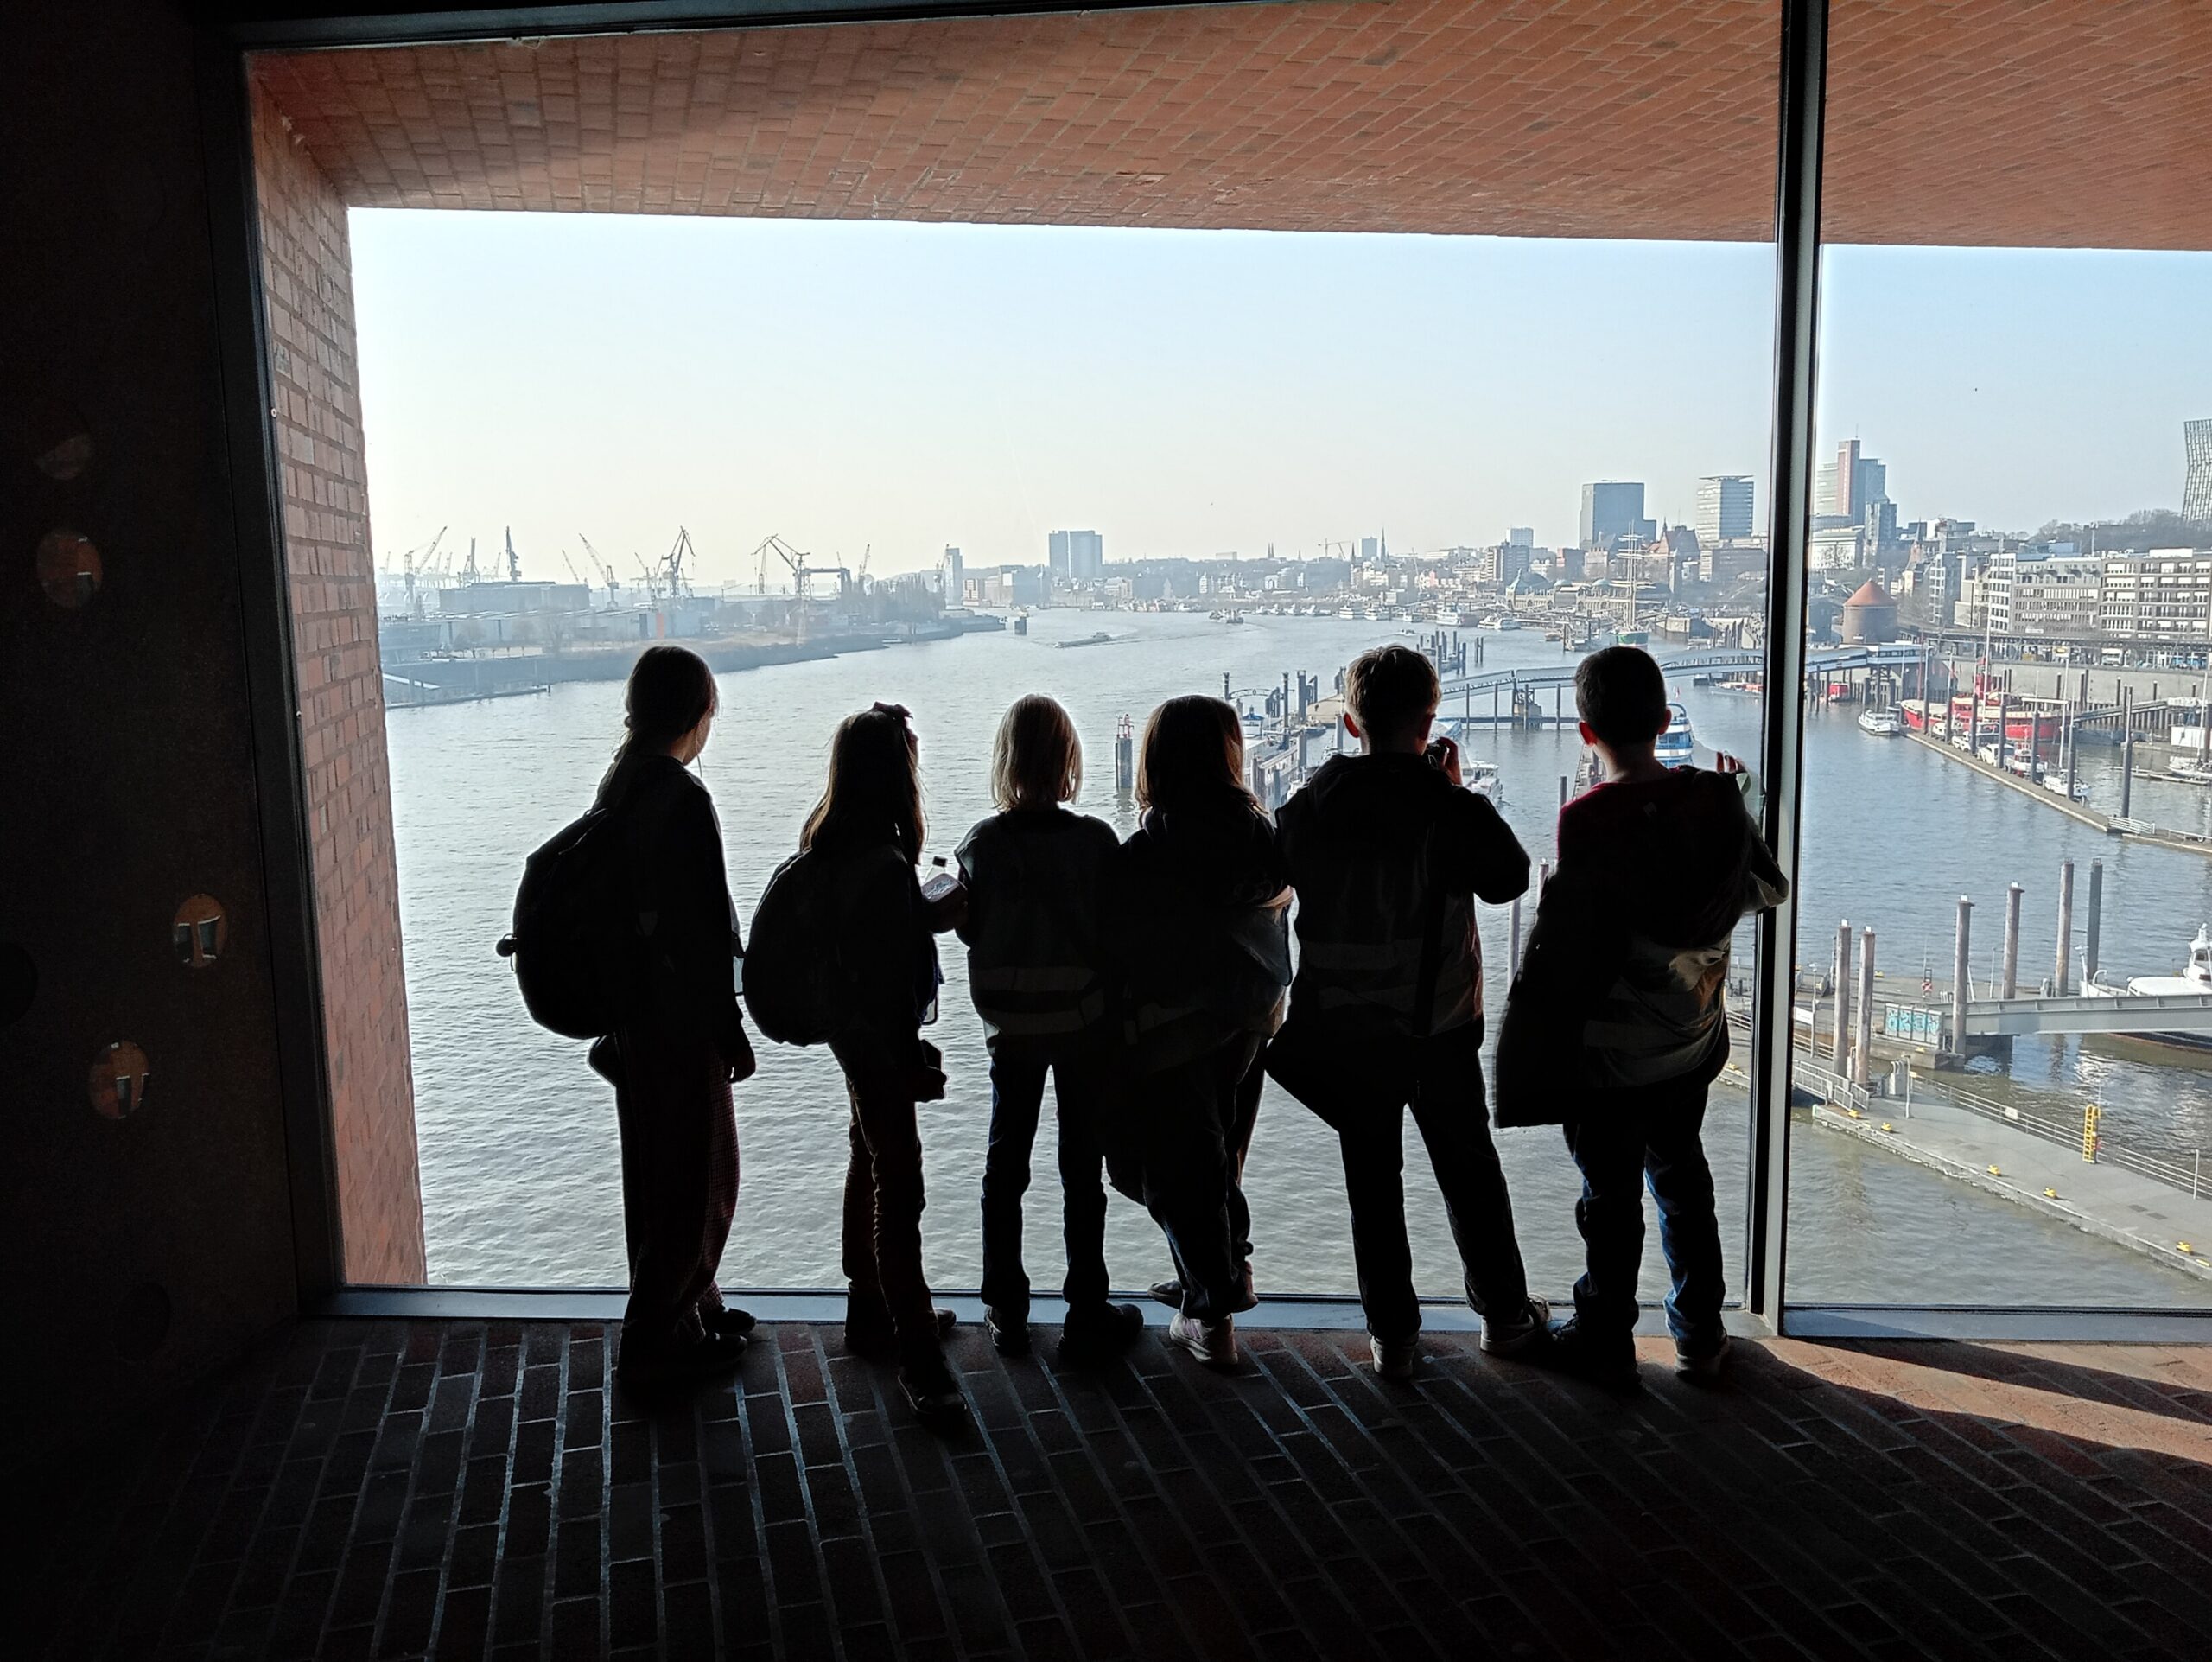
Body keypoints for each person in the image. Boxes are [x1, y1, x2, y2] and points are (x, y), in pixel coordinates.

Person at [1495, 646, 1789, 1390]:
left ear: (1585, 732)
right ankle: (1701, 1336)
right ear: (1663, 721)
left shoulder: (1587, 819)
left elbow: (1578, 945)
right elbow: (1762, 885)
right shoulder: (1716, 800)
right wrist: (1743, 798)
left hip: (1610, 1056)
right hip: (1691, 1037)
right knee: (1684, 1184)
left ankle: (1605, 1336)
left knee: (1610, 1197)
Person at [1269, 644, 1548, 1382]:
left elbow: (1272, 871)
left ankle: (1392, 1335)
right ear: (1429, 723)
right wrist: (1453, 792)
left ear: (1351, 723)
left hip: (1346, 1032)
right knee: (1470, 1172)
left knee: (1372, 1181)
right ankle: (1505, 1314)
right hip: (1440, 1028)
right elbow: (1510, 877)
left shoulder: (1310, 807)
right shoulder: (1446, 807)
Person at [956, 695, 1146, 1360]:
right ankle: (1086, 1309)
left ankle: (1005, 1306)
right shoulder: (1095, 843)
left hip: (1011, 1031)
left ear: (1006, 760)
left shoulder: (981, 845)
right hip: (1085, 1028)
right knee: (1081, 1170)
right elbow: (1119, 935)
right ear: (1069, 760)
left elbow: (972, 931)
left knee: (1005, 1166)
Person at [590, 646, 758, 1388]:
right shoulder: (682, 797)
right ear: (699, 714)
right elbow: (703, 929)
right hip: (679, 1019)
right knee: (703, 1178)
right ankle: (658, 1337)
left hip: (634, 1013)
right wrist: (730, 1026)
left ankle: (691, 1307)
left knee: (657, 1175)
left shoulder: (620, 781)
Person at [1112, 696, 1291, 1368]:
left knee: (1171, 1169)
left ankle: (1211, 1308)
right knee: (1220, 1160)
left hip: (1175, 1029)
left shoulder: (1149, 851)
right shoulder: (1263, 840)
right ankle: (1216, 1271)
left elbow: (1122, 944)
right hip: (1252, 1022)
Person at [803, 702, 966, 1417]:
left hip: (847, 1034)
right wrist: (909, 1053)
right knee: (901, 1188)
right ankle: (919, 1357)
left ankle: (869, 1306)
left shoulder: (828, 838)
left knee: (865, 1156)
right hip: (878, 1039)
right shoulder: (885, 861)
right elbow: (887, 967)